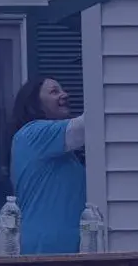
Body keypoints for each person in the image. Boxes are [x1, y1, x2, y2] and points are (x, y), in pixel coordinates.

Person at [10, 76, 89, 254]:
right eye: (55, 91)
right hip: (45, 250)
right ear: (35, 103)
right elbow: (87, 126)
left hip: (60, 249)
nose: (65, 94)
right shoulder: (33, 133)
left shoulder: (61, 150)